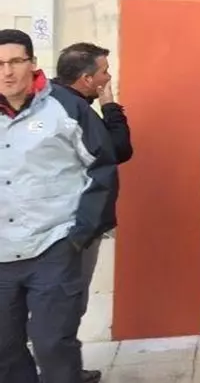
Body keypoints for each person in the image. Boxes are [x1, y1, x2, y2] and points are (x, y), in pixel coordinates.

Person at [0, 29, 118, 383]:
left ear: (33, 63)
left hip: (53, 246)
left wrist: (80, 235)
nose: (7, 72)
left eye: (16, 61)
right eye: (0, 64)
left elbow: (103, 167)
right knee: (5, 349)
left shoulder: (66, 107)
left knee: (52, 344)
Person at [52, 43, 135, 383]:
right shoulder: (74, 109)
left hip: (69, 225)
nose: (108, 77)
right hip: (74, 226)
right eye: (104, 72)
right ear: (87, 79)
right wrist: (110, 105)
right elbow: (118, 149)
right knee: (67, 303)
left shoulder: (58, 102)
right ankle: (63, 372)